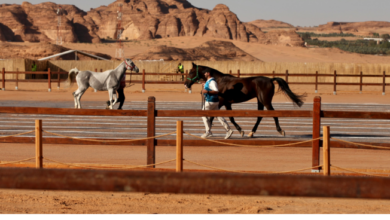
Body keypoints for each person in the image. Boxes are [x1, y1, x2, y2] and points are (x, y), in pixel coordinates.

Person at [201, 68, 233, 139]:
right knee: (219, 116)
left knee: (203, 114)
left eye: (205, 73)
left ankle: (208, 132)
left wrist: (207, 92)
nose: (204, 74)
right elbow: (210, 87)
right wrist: (205, 84)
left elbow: (216, 91)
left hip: (210, 101)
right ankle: (228, 130)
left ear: (208, 73)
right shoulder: (209, 81)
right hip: (213, 101)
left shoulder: (212, 82)